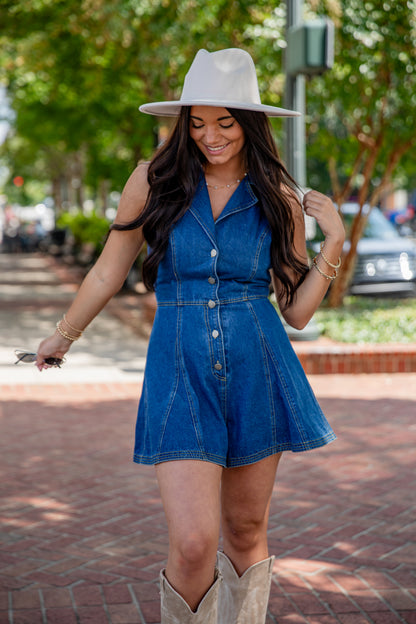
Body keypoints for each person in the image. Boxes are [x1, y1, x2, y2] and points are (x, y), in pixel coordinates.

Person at [36, 48, 345, 623]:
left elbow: (296, 312)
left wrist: (335, 242)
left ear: (249, 124)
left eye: (225, 122)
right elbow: (108, 267)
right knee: (196, 543)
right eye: (197, 122)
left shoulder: (279, 197)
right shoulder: (154, 180)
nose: (210, 136)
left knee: (246, 529)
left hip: (259, 364)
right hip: (180, 369)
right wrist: (64, 335)